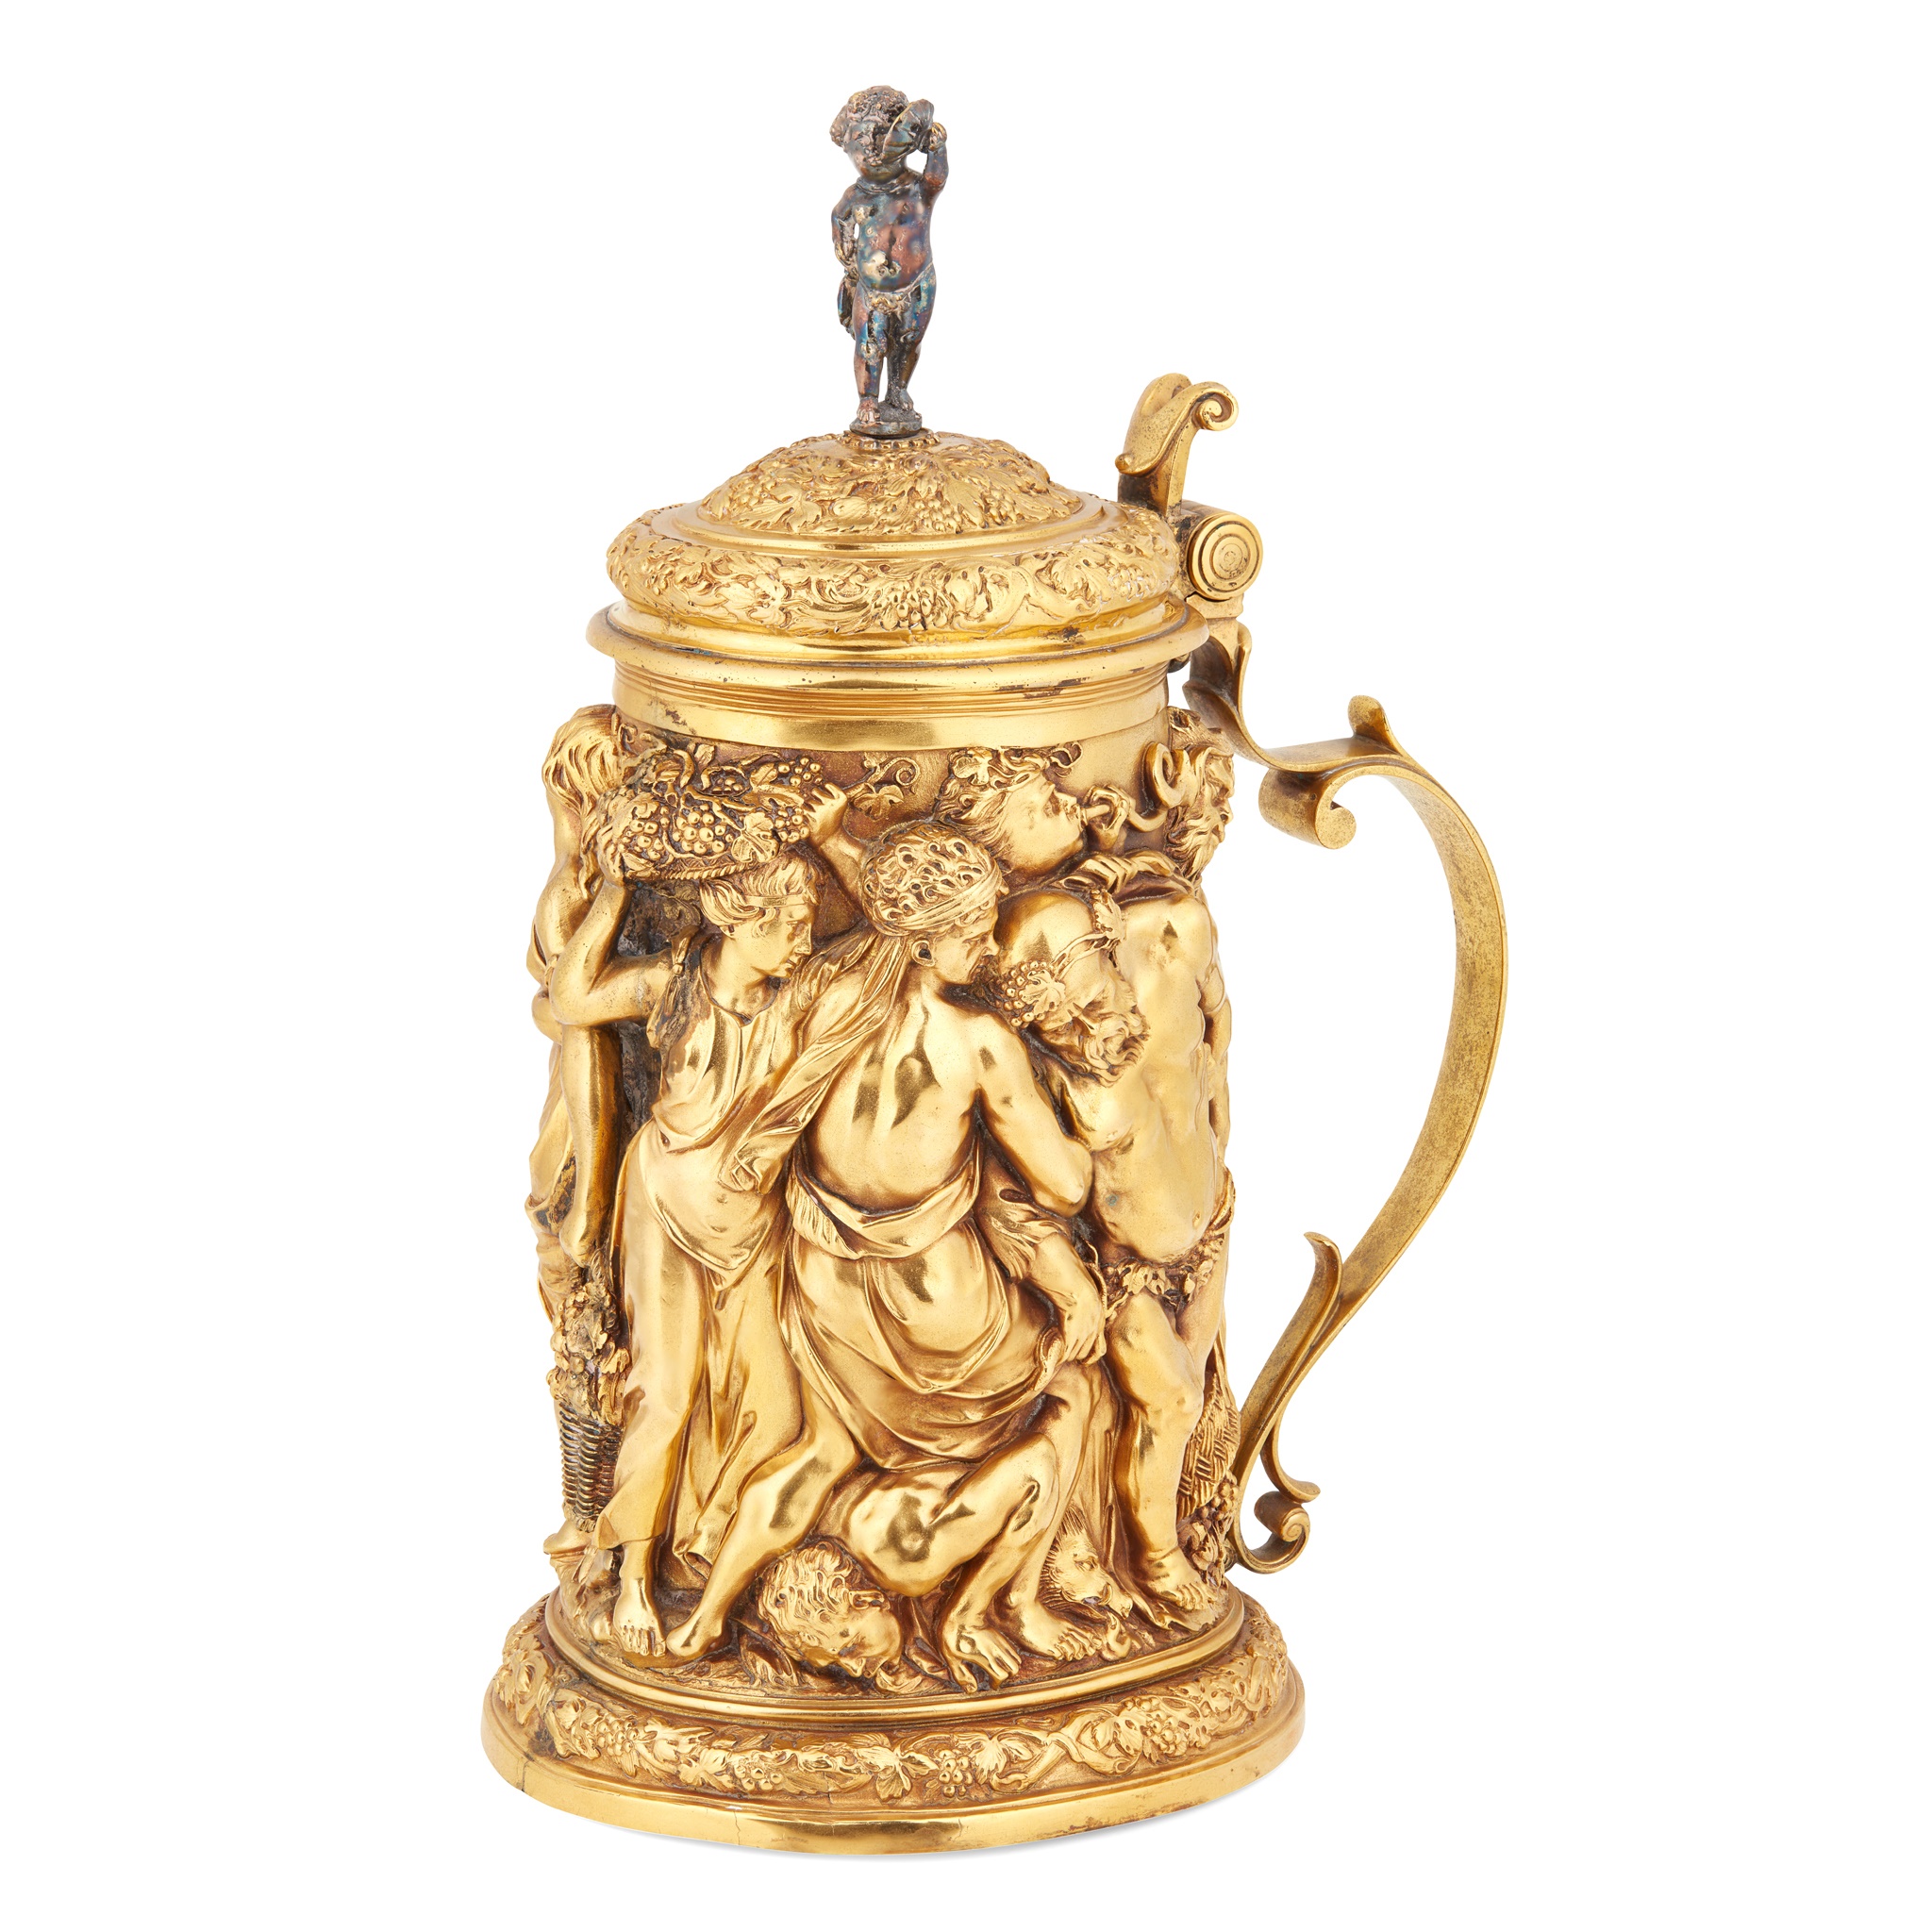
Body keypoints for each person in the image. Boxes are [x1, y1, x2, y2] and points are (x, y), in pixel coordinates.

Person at [663, 823, 1108, 1686]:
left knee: (822, 1453)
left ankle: (706, 1616)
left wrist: (837, 841)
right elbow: (1063, 1186)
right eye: (975, 931)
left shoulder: (826, 995)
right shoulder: (980, 1042)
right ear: (926, 938)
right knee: (1076, 1389)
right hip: (937, 1304)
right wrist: (1075, 1092)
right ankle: (1006, 1604)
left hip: (825, 1283)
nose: (988, 949)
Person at [550, 848, 844, 1660]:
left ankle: (711, 1548)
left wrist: (834, 840)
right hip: (668, 1211)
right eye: (790, 926)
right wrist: (613, 888)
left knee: (778, 1413)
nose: (804, 941)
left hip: (754, 1227)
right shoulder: (671, 984)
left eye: (808, 925)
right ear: (739, 921)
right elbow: (574, 998)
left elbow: (889, 949)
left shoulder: (797, 998)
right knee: (667, 1394)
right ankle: (635, 1575)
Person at [981, 871, 1234, 1623]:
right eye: (1047, 1024)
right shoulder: (1036, 1068)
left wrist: (1220, 1106)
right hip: (1126, 1274)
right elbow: (1028, 1193)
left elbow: (1219, 1022)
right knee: (1174, 1401)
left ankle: (1186, 1529)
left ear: (1105, 942)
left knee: (1202, 1403)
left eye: (1084, 1001)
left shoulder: (1176, 932)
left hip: (1211, 1226)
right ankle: (1158, 1560)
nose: (1070, 1032)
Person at [830, 86, 947, 434]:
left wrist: (937, 149)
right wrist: (844, 249)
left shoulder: (917, 188)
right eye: (859, 150)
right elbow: (839, 217)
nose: (868, 157)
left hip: (917, 282)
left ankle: (898, 389)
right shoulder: (857, 195)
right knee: (870, 343)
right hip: (871, 288)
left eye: (878, 147)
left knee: (909, 341)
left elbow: (936, 179)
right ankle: (868, 399)